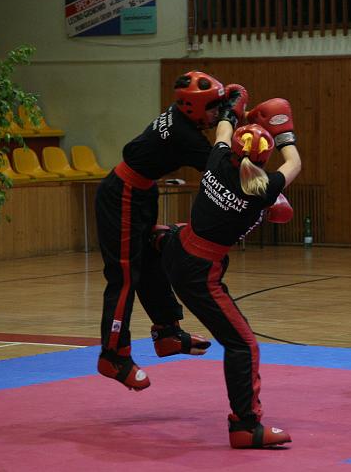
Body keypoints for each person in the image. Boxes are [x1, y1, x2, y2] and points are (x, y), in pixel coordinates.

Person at [159, 99, 301, 448]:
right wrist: (284, 131)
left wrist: (232, 109)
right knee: (243, 344)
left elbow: (223, 130)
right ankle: (245, 426)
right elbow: (295, 163)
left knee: (157, 237)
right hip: (200, 272)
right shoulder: (264, 188)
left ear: (234, 150)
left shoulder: (217, 159)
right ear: (264, 160)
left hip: (178, 248)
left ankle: (165, 329)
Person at [95, 72, 248, 391]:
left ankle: (167, 334)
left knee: (153, 262)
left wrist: (226, 112)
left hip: (142, 192)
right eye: (213, 108)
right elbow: (220, 168)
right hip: (122, 194)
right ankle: (113, 355)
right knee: (124, 276)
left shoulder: (182, 116)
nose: (216, 114)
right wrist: (231, 117)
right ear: (193, 107)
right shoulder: (184, 134)